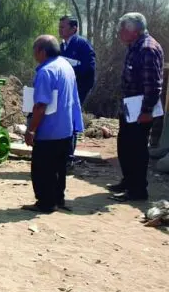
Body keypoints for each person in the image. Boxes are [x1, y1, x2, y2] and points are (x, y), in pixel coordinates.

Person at [21, 35, 83, 213]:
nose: (34, 54)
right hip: (66, 128)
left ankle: (46, 203)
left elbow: (41, 105)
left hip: (49, 130)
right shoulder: (66, 66)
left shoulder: (46, 71)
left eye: (35, 50)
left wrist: (31, 130)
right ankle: (58, 199)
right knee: (59, 168)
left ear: (42, 51)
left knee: (42, 169)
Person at [107, 13, 164, 202]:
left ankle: (138, 190)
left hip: (141, 110)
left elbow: (153, 85)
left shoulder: (147, 49)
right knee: (125, 145)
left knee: (137, 149)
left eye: (123, 29)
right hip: (130, 107)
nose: (119, 33)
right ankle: (128, 182)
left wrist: (146, 111)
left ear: (134, 31)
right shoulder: (134, 46)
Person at [58, 16, 96, 169]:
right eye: (59, 27)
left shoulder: (82, 45)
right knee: (62, 119)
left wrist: (71, 67)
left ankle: (68, 159)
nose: (60, 30)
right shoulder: (62, 46)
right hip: (63, 89)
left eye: (63, 27)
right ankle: (60, 156)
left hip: (78, 88)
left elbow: (89, 69)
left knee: (71, 120)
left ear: (74, 28)